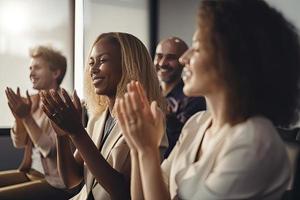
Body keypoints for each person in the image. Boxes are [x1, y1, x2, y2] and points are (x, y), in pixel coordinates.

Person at [116, 0, 300, 199]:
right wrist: (137, 147)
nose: (183, 58)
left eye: (197, 48)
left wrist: (147, 150)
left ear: (232, 59)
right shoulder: (196, 123)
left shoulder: (254, 141)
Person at [41, 32, 167, 200]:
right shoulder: (98, 119)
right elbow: (71, 179)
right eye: (91, 62)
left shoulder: (147, 120)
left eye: (102, 61)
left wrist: (77, 132)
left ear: (129, 65)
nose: (93, 69)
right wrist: (62, 135)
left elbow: (124, 193)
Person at [2, 45, 70, 199]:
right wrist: (19, 118)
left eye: (37, 67)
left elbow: (50, 150)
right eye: (30, 68)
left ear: (56, 72)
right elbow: (18, 143)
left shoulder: (65, 105)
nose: (31, 73)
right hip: (30, 172)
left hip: (55, 182)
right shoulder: (31, 102)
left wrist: (26, 117)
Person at [154, 37, 206, 157]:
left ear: (183, 61)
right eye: (159, 56)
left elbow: (186, 142)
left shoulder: (193, 97)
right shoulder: (148, 92)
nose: (162, 63)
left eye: (171, 58)